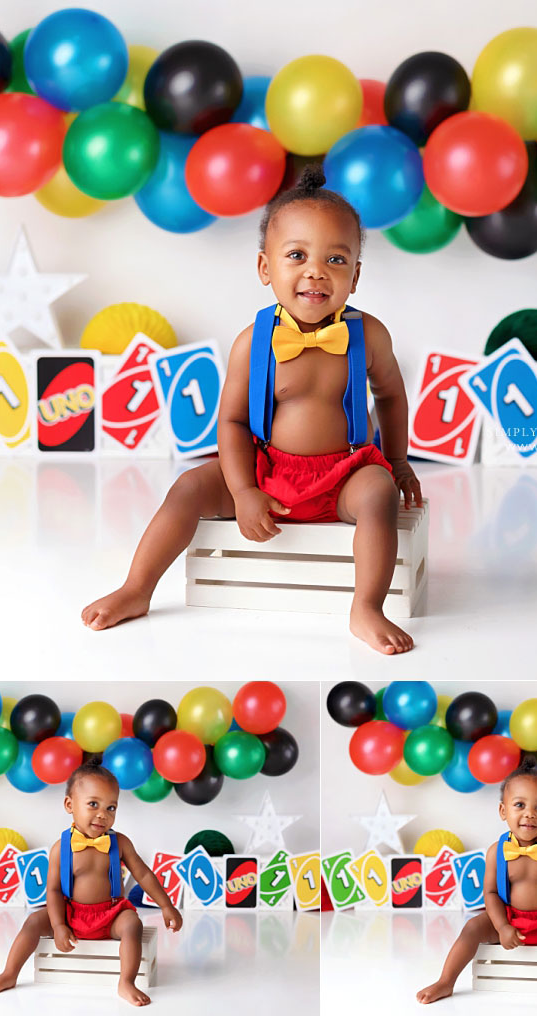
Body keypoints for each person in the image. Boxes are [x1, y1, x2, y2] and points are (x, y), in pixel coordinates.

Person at [82, 165, 423, 655]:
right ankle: (137, 588)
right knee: (189, 487)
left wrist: (399, 461)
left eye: (335, 259)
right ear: (266, 269)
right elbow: (235, 421)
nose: (316, 271)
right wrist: (242, 490)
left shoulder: (369, 335)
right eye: (297, 255)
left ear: (355, 275)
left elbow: (390, 395)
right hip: (268, 471)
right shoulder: (252, 342)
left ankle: (366, 605)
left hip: (344, 472)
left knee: (378, 494)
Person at [0, 761, 182, 1007]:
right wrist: (58, 925)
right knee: (33, 921)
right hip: (71, 913)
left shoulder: (120, 843)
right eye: (93, 804)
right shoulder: (61, 848)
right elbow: (54, 890)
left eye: (111, 807)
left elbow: (144, 875)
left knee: (132, 924)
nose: (103, 814)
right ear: (70, 805)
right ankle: (10, 973)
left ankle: (126, 981)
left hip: (110, 915)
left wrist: (166, 905)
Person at [416, 759, 537, 1016]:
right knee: (472, 927)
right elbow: (491, 893)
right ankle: (446, 981)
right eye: (520, 805)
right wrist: (502, 926)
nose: (530, 813)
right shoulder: (496, 851)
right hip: (511, 919)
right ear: (503, 811)